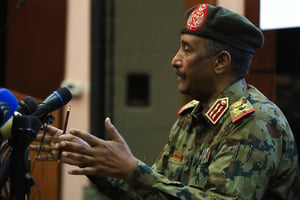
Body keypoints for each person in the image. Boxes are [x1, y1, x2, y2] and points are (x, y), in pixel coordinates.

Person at [30, 3, 300, 200]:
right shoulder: (191, 116)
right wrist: (94, 161)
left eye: (187, 49)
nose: (175, 60)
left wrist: (133, 170)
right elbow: (155, 192)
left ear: (220, 62)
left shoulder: (255, 121)